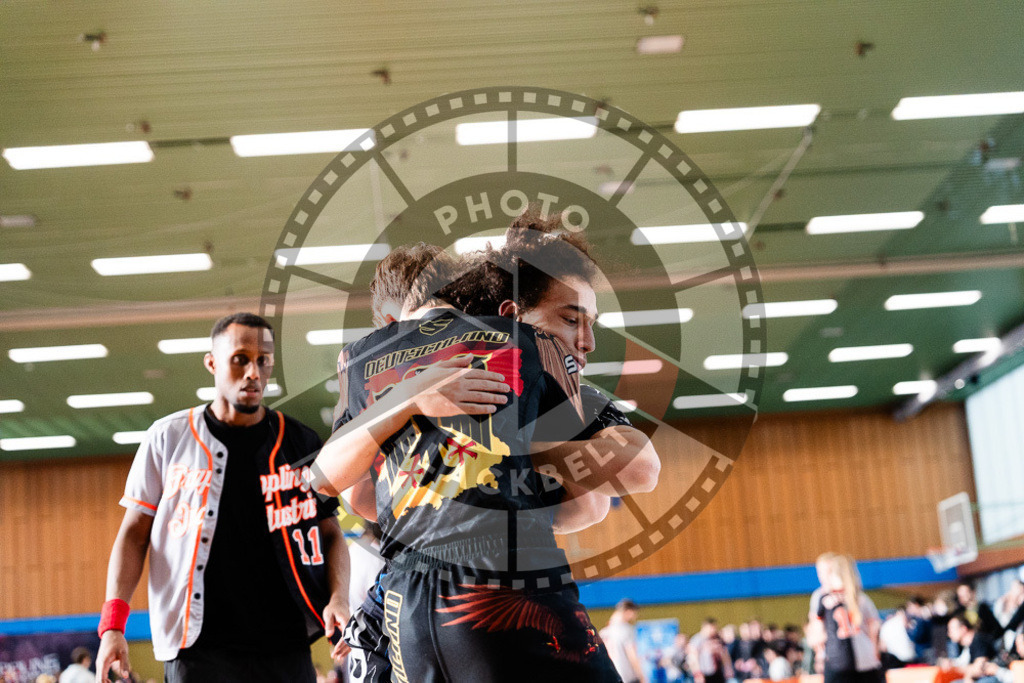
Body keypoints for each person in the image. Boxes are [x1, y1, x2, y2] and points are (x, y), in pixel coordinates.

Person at [315, 223, 638, 680]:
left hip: (404, 598)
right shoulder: (529, 354)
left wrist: (407, 417)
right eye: (571, 319)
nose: (584, 340)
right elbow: (592, 504)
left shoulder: (367, 365)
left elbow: (350, 493)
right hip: (503, 577)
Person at [95, 313, 350, 683]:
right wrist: (113, 627)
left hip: (285, 646)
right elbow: (133, 535)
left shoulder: (301, 443)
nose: (253, 372)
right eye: (240, 359)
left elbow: (330, 533)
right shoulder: (167, 439)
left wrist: (338, 597)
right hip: (198, 651)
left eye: (263, 360)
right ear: (212, 363)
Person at [813, 554, 883, 683]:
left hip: (838, 660)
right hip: (865, 657)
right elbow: (874, 627)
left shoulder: (823, 599)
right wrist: (875, 651)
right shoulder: (861, 598)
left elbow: (818, 635)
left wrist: (820, 653)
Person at [601, 599, 647, 683]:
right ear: (629, 611)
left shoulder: (604, 632)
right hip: (626, 676)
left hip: (610, 675)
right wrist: (642, 676)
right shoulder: (626, 630)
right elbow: (632, 655)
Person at [946, 614, 1002, 683]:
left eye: (951, 629)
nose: (949, 634)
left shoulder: (978, 640)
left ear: (963, 629)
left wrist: (955, 668)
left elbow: (979, 668)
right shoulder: (967, 647)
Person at [688, 618, 734, 683]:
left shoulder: (717, 639)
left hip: (717, 672)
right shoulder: (697, 640)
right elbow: (693, 658)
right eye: (712, 628)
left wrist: (728, 668)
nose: (714, 630)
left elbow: (725, 654)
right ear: (705, 627)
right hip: (704, 673)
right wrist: (698, 674)